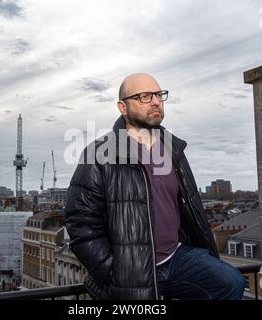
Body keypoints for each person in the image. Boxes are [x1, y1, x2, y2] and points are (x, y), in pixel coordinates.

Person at [65, 73, 245, 300]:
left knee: (231, 283)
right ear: (123, 107)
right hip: (130, 269)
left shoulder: (172, 148)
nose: (156, 101)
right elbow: (80, 225)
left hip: (177, 258)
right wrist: (113, 271)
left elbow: (188, 207)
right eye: (144, 96)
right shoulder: (99, 154)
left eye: (159, 94)